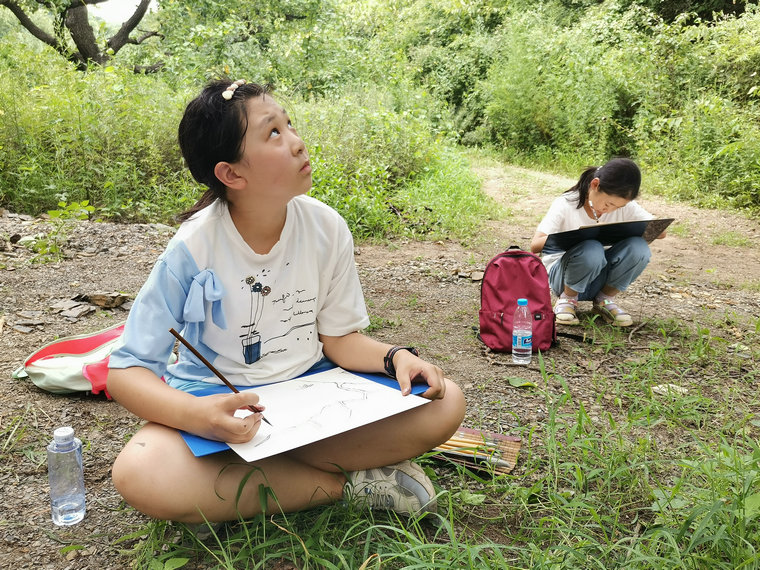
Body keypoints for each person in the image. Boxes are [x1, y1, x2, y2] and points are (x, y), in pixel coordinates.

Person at [106, 79, 466, 524]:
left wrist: (394, 358)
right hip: (220, 403)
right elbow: (126, 371)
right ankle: (346, 486)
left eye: (289, 124)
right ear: (232, 174)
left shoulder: (326, 227)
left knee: (445, 401)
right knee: (141, 471)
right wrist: (199, 416)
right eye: (273, 132)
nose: (296, 142)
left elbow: (339, 339)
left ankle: (254, 480)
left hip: (310, 390)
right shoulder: (193, 248)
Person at [529, 157, 666, 327]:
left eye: (618, 207)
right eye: (608, 203)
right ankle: (568, 300)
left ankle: (604, 301)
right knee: (591, 248)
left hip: (599, 276)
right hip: (565, 278)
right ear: (595, 185)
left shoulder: (624, 206)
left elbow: (660, 231)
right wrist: (575, 237)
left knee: (639, 248)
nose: (610, 209)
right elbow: (535, 245)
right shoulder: (566, 203)